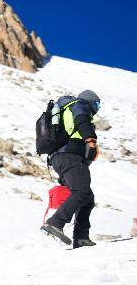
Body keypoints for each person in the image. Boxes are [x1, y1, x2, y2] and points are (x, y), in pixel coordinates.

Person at [41, 90, 101, 249]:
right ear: (90, 101)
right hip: (70, 156)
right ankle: (55, 223)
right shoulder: (80, 105)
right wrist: (91, 140)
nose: (97, 108)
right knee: (81, 191)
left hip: (60, 158)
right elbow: (82, 120)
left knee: (87, 198)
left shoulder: (65, 109)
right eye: (97, 104)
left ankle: (81, 237)